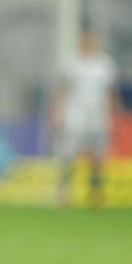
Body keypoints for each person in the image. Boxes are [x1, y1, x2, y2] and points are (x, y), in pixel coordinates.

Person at [53, 29, 118, 208]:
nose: (89, 45)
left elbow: (111, 91)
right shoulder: (72, 64)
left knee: (98, 155)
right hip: (75, 113)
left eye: (92, 41)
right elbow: (62, 89)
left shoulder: (106, 64)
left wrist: (114, 115)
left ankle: (95, 193)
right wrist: (59, 113)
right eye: (86, 41)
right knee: (69, 154)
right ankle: (65, 192)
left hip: (99, 114)